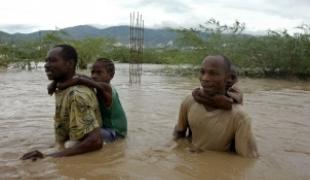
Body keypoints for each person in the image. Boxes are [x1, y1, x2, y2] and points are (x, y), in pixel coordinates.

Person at [21, 44, 103, 161]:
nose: (46, 65)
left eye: (53, 61)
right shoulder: (63, 88)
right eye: (46, 61)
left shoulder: (77, 95)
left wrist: (47, 157)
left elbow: (95, 141)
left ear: (69, 63)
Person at [173, 55, 258, 158]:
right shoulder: (189, 101)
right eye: (202, 72)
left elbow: (246, 161)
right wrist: (181, 149)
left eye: (213, 73)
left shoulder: (240, 117)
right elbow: (179, 133)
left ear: (228, 78)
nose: (205, 78)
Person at [51, 58, 127, 142]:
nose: (94, 76)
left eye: (99, 72)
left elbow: (79, 80)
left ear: (111, 75)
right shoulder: (99, 86)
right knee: (75, 129)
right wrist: (56, 81)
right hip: (105, 128)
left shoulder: (106, 88)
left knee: (82, 132)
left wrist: (60, 85)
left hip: (115, 133)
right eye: (92, 72)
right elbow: (81, 76)